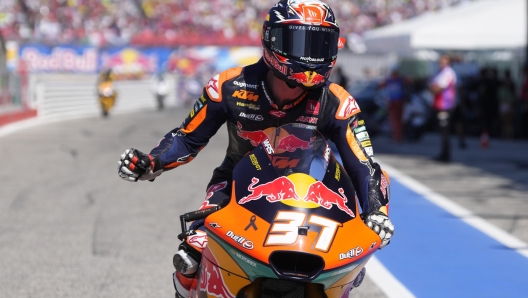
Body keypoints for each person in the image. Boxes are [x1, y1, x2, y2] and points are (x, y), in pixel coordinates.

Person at [116, 1, 394, 297]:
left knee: (346, 264)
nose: (312, 55)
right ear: (272, 40)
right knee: (192, 255)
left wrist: (377, 212)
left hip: (311, 193)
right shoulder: (227, 86)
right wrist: (150, 162)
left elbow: (363, 164)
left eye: (321, 43)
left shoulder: (338, 102)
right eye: (300, 41)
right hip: (235, 185)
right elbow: (187, 138)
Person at [429, 55, 457, 162]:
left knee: (445, 131)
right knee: (442, 131)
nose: (441, 63)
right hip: (439, 105)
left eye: (443, 61)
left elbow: (437, 88)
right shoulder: (440, 72)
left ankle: (446, 156)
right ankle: (444, 153)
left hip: (445, 105)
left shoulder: (448, 73)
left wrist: (431, 88)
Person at [378, 69, 406, 143]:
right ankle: (398, 136)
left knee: (395, 120)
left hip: (394, 102)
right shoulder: (400, 80)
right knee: (398, 120)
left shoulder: (390, 80)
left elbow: (379, 86)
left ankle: (397, 137)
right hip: (398, 102)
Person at [497, 69, 516, 139]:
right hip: (507, 105)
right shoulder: (507, 85)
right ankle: (507, 135)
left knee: (507, 122)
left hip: (506, 105)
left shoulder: (507, 85)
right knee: (506, 122)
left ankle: (507, 135)